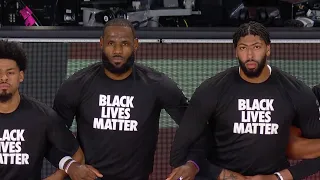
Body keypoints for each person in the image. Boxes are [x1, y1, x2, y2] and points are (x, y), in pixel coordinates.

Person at [46, 18, 201, 180]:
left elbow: (197, 130)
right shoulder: (76, 85)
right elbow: (50, 138)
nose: (117, 50)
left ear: (135, 44)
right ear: (101, 43)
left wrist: (193, 164)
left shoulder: (158, 85)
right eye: (111, 43)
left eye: (125, 44)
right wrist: (71, 166)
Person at [168, 21, 320, 180]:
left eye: (256, 47)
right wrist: (221, 174)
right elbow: (178, 153)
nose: (250, 55)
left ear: (268, 49)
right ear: (236, 52)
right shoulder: (212, 90)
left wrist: (278, 177)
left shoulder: (296, 92)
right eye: (243, 48)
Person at [0, 40, 103, 180]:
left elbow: (76, 155)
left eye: (10, 72)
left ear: (21, 76)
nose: (4, 78)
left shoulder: (42, 116)